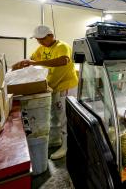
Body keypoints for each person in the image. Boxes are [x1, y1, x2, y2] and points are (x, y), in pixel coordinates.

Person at [13, 25, 78, 160]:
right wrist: (23, 64)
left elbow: (63, 60)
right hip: (52, 86)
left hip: (65, 86)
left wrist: (35, 62)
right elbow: (31, 59)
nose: (40, 42)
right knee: (54, 115)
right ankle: (56, 140)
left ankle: (66, 146)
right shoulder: (41, 48)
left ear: (51, 36)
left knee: (64, 118)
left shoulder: (62, 46)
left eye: (42, 39)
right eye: (37, 40)